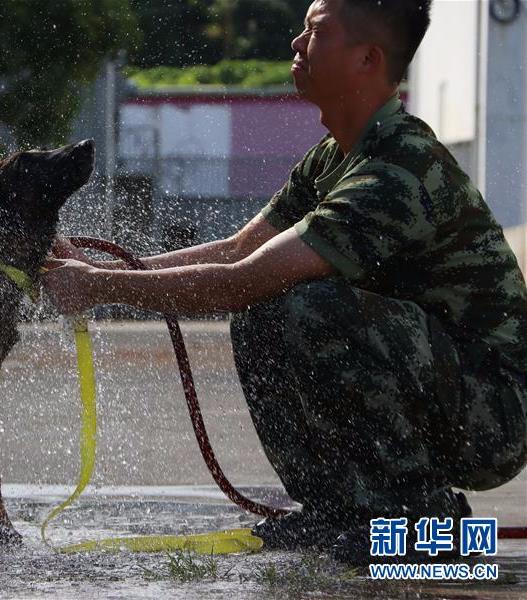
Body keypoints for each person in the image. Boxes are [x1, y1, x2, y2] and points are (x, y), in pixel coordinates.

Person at [42, 0, 527, 564]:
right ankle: (335, 510)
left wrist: (98, 290)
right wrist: (104, 272)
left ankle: (424, 520)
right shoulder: (331, 158)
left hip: (492, 415)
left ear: (367, 59)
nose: (297, 45)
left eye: (315, 33)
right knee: (263, 311)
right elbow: (237, 251)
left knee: (305, 306)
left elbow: (236, 280)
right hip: (439, 386)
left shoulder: (397, 170)